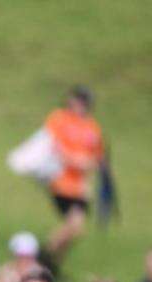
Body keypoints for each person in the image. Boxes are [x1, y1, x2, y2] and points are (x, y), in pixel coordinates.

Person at [42, 86, 103, 269]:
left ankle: (52, 263)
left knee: (75, 230)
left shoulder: (92, 127)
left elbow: (96, 157)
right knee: (74, 227)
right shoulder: (59, 118)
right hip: (60, 182)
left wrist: (88, 166)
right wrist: (75, 160)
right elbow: (51, 145)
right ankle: (44, 256)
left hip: (80, 187)